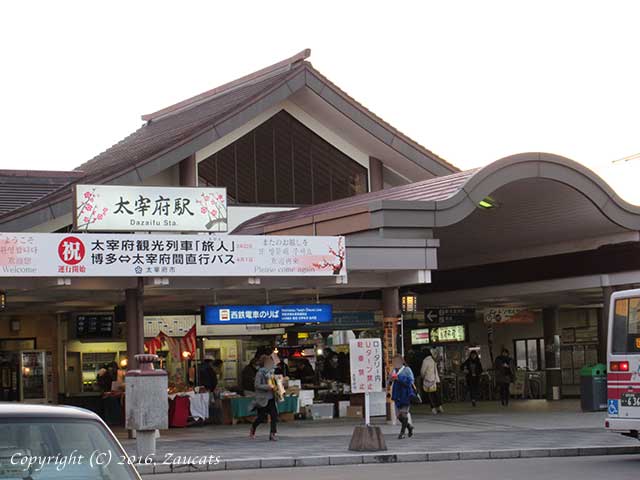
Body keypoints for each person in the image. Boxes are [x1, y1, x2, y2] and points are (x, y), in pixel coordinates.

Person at [250, 354, 279, 441]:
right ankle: (253, 427)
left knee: (274, 415)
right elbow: (257, 385)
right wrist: (268, 386)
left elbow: (275, 384)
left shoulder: (271, 372)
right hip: (263, 398)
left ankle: (272, 434)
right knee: (262, 418)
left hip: (271, 398)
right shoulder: (260, 373)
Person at [389, 355, 416, 439]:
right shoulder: (393, 370)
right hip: (397, 395)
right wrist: (391, 379)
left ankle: (402, 433)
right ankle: (409, 427)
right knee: (398, 415)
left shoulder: (407, 370)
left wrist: (399, 378)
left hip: (405, 394)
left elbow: (411, 381)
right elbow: (389, 381)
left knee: (404, 414)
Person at [420, 348, 444, 414]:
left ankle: (436, 407)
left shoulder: (429, 361)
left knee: (433, 395)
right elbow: (424, 371)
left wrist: (423, 377)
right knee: (434, 395)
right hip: (432, 380)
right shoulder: (429, 360)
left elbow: (422, 371)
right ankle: (437, 407)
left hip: (432, 380)